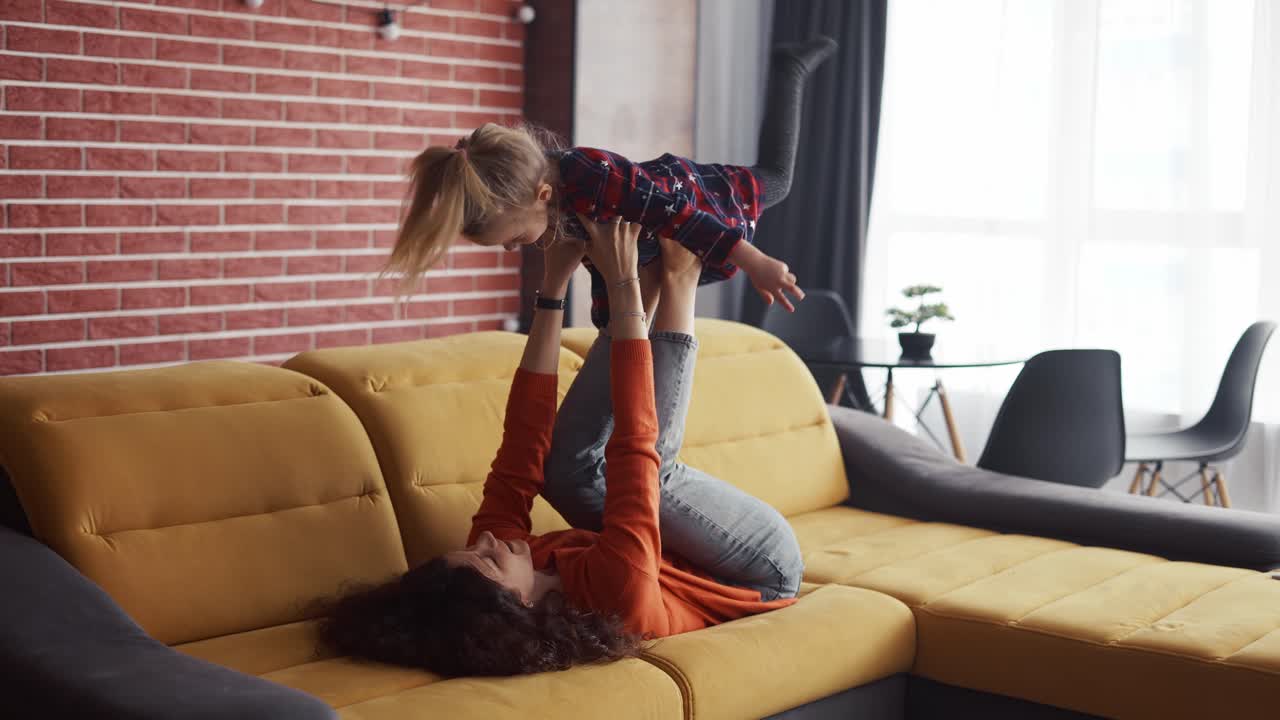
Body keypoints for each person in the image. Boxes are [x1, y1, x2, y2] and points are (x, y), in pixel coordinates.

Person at [320, 217, 804, 677]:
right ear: (518, 605)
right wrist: (623, 287)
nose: (486, 541)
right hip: (758, 571)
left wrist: (552, 287)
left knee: (564, 473)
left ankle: (651, 279)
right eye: (489, 559)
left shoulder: (498, 559)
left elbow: (521, 446)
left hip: (683, 560)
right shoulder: (618, 598)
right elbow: (637, 449)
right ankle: (678, 277)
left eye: (471, 549)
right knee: (646, 474)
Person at [385, 38, 837, 327]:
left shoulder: (589, 174)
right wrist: (611, 326)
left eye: (513, 239)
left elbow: (678, 215)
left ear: (540, 195)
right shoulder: (553, 213)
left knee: (778, 180)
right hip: (657, 247)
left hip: (699, 198)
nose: (512, 249)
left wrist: (753, 259)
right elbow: (603, 270)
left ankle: (788, 70)